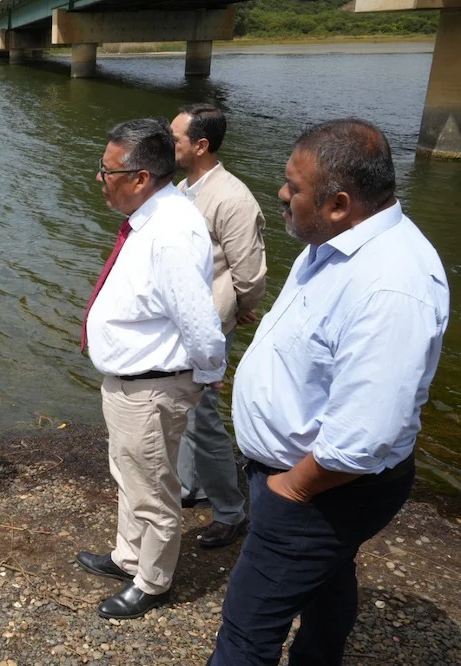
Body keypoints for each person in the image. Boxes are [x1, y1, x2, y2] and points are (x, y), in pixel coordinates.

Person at [208, 119, 449, 665]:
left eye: (294, 187)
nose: (281, 194)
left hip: (323, 488)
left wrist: (292, 489)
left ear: (339, 203)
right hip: (309, 481)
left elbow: (365, 436)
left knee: (246, 631)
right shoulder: (333, 241)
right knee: (327, 580)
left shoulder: (391, 285)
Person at [74, 119, 227, 619]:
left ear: (140, 177)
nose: (100, 179)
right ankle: (128, 556)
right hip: (130, 384)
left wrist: (205, 376)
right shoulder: (152, 219)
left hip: (152, 388)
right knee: (131, 474)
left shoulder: (171, 234)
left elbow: (201, 323)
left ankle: (153, 581)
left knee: (153, 487)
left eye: (107, 170)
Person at [169, 103, 267, 548]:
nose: (170, 146)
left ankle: (230, 510)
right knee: (188, 411)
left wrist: (239, 308)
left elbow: (250, 272)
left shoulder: (232, 197)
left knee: (203, 417)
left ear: (201, 145)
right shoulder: (184, 188)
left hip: (209, 323)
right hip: (183, 321)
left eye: (175, 140)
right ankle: (191, 487)